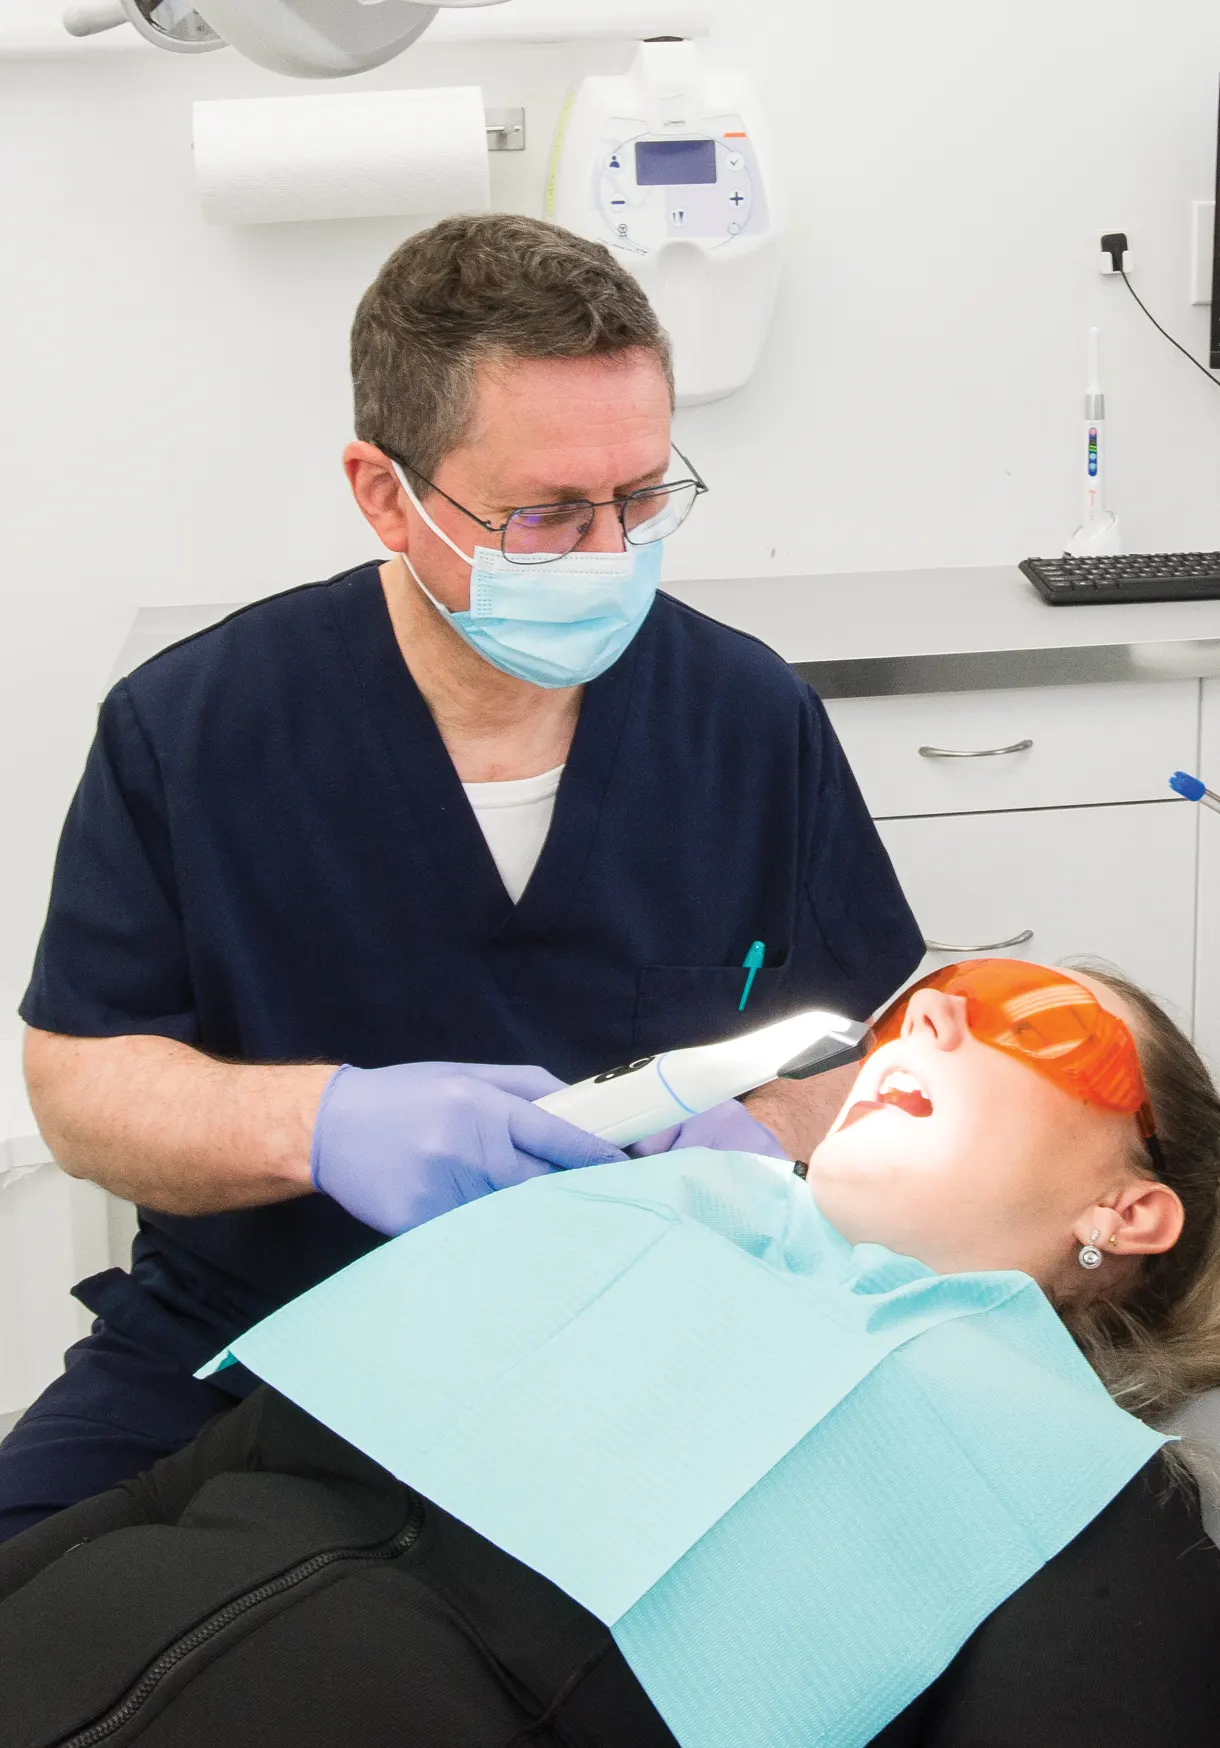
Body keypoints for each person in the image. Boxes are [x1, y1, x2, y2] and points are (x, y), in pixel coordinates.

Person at [1, 214, 923, 1541]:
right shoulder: (195, 729)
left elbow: (874, 1038)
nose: (610, 554)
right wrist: (321, 1125)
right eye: (548, 514)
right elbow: (85, 1091)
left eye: (643, 497)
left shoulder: (744, 717)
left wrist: (772, 1131)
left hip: (651, 1320)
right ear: (385, 493)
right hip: (261, 1336)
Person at [2, 957, 1218, 1748]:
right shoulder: (619, 1219)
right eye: (918, 1004)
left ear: (1127, 1209)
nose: (935, 1013)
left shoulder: (1082, 1502)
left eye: (1024, 1015)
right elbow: (182, 1485)